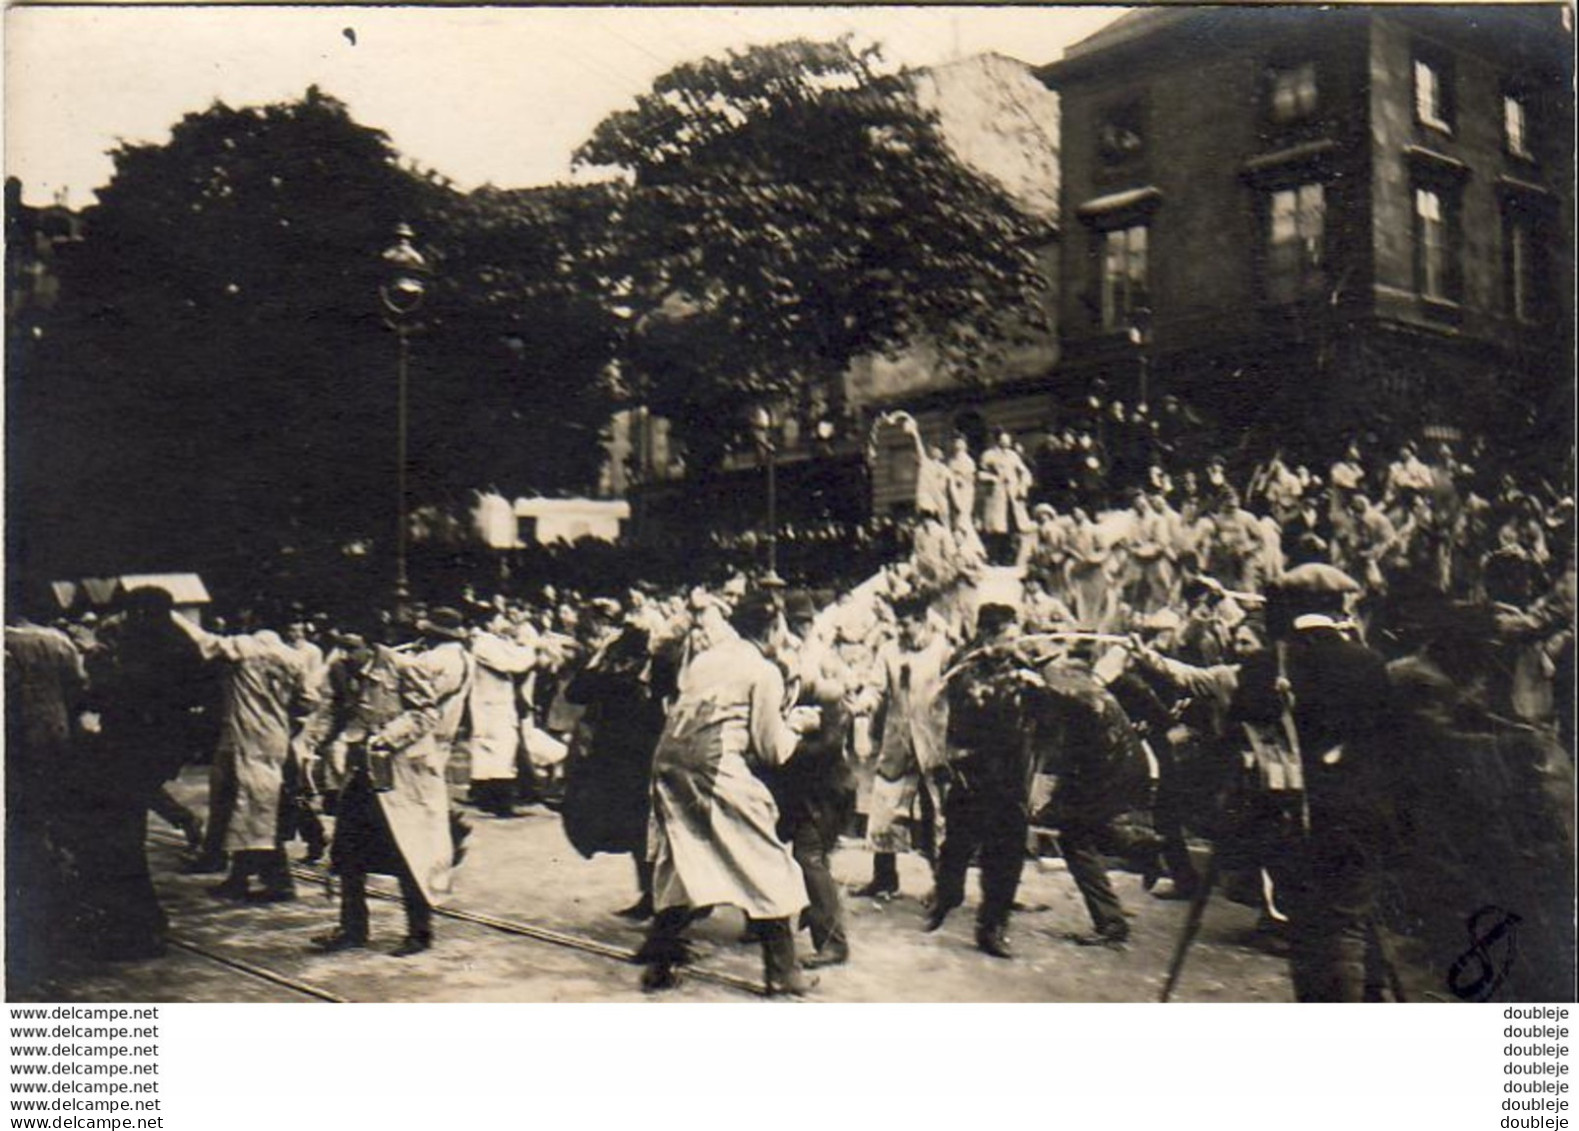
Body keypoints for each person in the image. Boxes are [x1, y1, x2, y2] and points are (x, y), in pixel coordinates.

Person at [637, 589, 824, 995]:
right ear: (773, 628)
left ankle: (659, 962)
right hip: (712, 766)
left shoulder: (706, 659)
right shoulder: (763, 671)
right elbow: (773, 750)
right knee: (766, 857)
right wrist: (799, 724)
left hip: (668, 763)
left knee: (681, 858)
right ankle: (784, 973)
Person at [1227, 563, 1395, 1001]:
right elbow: (1390, 744)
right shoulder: (1370, 663)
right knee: (1346, 923)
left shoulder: (1264, 665)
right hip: (1355, 817)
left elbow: (1234, 737)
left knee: (1305, 924)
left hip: (1289, 819)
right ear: (1338, 605)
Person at [312, 609, 471, 957]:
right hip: (362, 773)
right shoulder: (341, 671)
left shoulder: (403, 668)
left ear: (371, 645)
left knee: (408, 851)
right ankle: (353, 928)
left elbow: (426, 713)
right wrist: (320, 742)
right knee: (348, 850)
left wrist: (386, 737)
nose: (345, 654)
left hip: (405, 776)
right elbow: (334, 711)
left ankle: (419, 931)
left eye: (351, 647)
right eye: (340, 646)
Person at [175, 611, 316, 903]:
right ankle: (244, 877)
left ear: (252, 625)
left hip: (243, 737)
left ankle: (271, 881)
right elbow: (308, 701)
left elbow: (204, 640)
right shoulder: (294, 657)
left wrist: (172, 616)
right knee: (258, 809)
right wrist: (282, 714)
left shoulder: (244, 646)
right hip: (275, 738)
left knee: (244, 808)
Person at [926, 603, 1037, 958]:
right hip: (972, 774)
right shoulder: (965, 667)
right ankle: (947, 896)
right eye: (1008, 637)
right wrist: (1014, 684)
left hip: (1011, 777)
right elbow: (974, 705)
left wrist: (1034, 686)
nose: (1015, 643)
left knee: (1006, 855)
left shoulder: (1021, 667)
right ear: (987, 636)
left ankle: (992, 926)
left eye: (1016, 636)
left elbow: (1039, 712)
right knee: (957, 846)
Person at [765, 589, 857, 968]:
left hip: (825, 790)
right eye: (793, 623)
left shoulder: (827, 674)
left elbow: (831, 743)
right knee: (777, 851)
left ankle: (833, 942)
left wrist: (787, 740)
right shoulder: (786, 670)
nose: (797, 631)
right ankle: (768, 922)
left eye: (804, 622)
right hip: (797, 788)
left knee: (810, 857)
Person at [6, 586, 89, 980]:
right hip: (57, 740)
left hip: (14, 747)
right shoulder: (58, 642)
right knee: (52, 822)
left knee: (22, 826)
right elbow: (78, 690)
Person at [860, 593, 951, 901]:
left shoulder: (943, 649)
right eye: (898, 625)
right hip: (898, 740)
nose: (901, 631)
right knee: (885, 807)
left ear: (923, 622)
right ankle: (884, 879)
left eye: (907, 625)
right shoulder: (888, 650)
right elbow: (875, 687)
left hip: (932, 744)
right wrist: (866, 703)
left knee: (935, 813)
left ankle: (943, 884)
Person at [466, 611, 536, 818]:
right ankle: (500, 802)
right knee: (501, 750)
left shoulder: (493, 642)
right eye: (500, 619)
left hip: (493, 704)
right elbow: (514, 664)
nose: (505, 623)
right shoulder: (484, 644)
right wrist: (531, 649)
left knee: (492, 751)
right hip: (491, 705)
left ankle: (487, 798)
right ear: (488, 623)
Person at [977, 430, 1033, 565]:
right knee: (997, 528)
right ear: (998, 440)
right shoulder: (989, 455)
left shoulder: (1013, 456)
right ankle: (995, 557)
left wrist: (1022, 487)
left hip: (1012, 494)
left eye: (1008, 440)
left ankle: (1010, 557)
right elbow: (980, 474)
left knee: (1012, 526)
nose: (1006, 442)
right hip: (996, 494)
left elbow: (1024, 472)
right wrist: (993, 478)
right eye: (1003, 439)